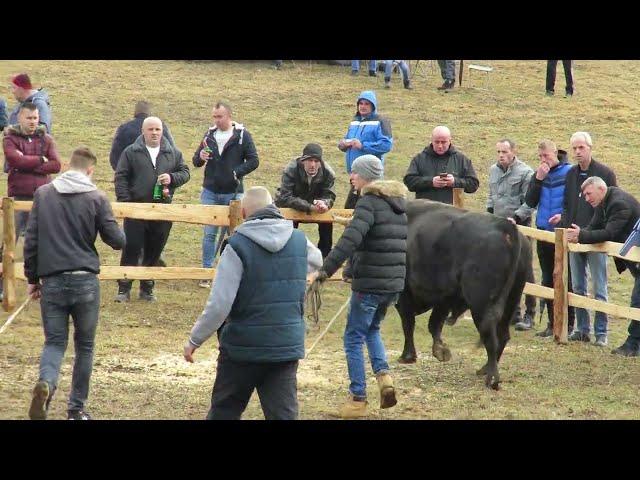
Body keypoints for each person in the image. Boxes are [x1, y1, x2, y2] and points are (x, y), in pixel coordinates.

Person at [184, 186, 322, 420]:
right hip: (285, 344)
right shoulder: (299, 240)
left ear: (245, 212)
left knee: (224, 411)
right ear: (275, 209)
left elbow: (220, 304)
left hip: (242, 347)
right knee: (283, 416)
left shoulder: (237, 245)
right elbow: (316, 261)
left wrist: (194, 339)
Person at [24, 147, 126, 420]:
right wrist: (121, 229)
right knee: (85, 346)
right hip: (85, 281)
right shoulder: (97, 197)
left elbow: (31, 240)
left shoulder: (43, 195)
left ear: (69, 165)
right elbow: (116, 241)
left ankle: (46, 383)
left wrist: (33, 279)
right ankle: (76, 409)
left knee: (54, 342)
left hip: (53, 281)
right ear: (90, 170)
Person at [309, 155, 408, 419]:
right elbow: (373, 242)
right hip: (392, 284)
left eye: (354, 173)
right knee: (371, 329)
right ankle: (384, 378)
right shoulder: (397, 205)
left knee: (353, 337)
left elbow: (350, 241)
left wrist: (324, 270)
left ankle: (357, 399)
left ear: (366, 176)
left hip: (371, 285)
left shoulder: (368, 203)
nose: (351, 177)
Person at [550, 132, 617, 346]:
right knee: (577, 286)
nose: (578, 152)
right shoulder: (570, 174)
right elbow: (568, 204)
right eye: (574, 149)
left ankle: (601, 333)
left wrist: (596, 230)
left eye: (581, 148)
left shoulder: (605, 173)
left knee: (599, 287)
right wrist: (565, 224)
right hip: (573, 237)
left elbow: (612, 203)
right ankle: (582, 329)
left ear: (590, 147)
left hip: (596, 238)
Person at [114, 116, 190, 302]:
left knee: (154, 249)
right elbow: (121, 176)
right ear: (143, 131)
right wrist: (126, 203)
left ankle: (147, 288)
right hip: (137, 210)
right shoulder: (131, 152)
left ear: (162, 131)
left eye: (158, 129)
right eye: (151, 129)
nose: (154, 133)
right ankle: (124, 288)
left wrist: (172, 178)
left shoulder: (173, 153)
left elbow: (185, 172)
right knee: (131, 248)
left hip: (162, 210)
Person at [566, 177, 640, 357]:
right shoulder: (603, 202)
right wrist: (580, 235)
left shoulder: (618, 203)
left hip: (636, 257)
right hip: (635, 260)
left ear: (600, 189)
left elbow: (609, 233)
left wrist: (581, 235)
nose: (586, 198)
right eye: (584, 195)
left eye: (588, 194)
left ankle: (633, 344)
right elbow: (594, 227)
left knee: (637, 301)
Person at [192, 101, 259, 288]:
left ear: (229, 116)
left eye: (219, 116)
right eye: (214, 116)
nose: (216, 120)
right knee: (209, 234)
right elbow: (195, 161)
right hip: (210, 191)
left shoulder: (242, 135)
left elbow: (254, 160)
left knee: (233, 235)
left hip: (234, 192)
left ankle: (231, 272)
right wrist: (200, 158)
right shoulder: (209, 135)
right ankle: (206, 272)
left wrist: (237, 172)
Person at [525, 139, 576, 337]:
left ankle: (569, 324)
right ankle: (551, 323)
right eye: (540, 156)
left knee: (565, 278)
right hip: (543, 231)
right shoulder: (539, 173)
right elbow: (530, 201)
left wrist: (563, 218)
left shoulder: (570, 172)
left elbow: (574, 202)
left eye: (546, 155)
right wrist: (538, 179)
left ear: (556, 153)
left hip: (562, 234)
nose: (543, 160)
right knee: (547, 278)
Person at [486, 139, 537, 330]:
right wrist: (489, 213)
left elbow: (530, 202)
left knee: (525, 269)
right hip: (498, 226)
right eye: (498, 151)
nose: (501, 155)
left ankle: (530, 313)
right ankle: (512, 312)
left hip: (519, 227)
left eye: (505, 151)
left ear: (513, 151)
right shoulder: (493, 170)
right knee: (503, 269)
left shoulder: (525, 172)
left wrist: (516, 217)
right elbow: (491, 195)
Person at [3, 103, 61, 238]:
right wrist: (41, 159)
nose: (33, 122)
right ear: (20, 118)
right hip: (19, 195)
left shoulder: (46, 139)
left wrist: (25, 162)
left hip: (42, 196)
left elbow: (56, 165)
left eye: (35, 118)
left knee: (42, 236)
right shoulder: (9, 139)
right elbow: (15, 161)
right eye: (29, 118)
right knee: (11, 235)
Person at [274, 143, 337, 258]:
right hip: (291, 205)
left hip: (316, 205)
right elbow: (285, 197)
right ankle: (287, 256)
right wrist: (309, 207)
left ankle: (324, 258)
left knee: (327, 220)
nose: (313, 164)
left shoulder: (328, 173)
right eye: (309, 160)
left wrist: (325, 203)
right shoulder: (291, 169)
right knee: (287, 227)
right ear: (303, 160)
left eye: (316, 161)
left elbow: (330, 195)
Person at [338, 90, 392, 209]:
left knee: (366, 208)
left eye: (367, 104)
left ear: (373, 106)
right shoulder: (354, 122)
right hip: (355, 175)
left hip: (370, 177)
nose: (363, 106)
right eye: (361, 103)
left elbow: (386, 145)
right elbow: (346, 140)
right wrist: (343, 144)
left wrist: (363, 146)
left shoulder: (381, 121)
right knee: (350, 209)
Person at [403, 125, 479, 204]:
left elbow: (473, 185)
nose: (440, 146)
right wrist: (431, 182)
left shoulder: (462, 160)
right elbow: (409, 182)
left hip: (454, 212)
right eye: (436, 142)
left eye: (443, 142)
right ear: (431, 140)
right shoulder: (419, 159)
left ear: (450, 140)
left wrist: (455, 182)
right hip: (426, 211)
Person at [109, 100, 175, 171]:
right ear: (149, 113)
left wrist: (121, 172)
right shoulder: (161, 128)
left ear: (135, 113)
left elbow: (115, 155)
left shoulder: (124, 128)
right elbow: (172, 152)